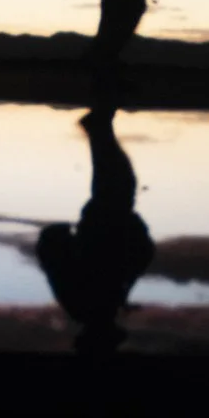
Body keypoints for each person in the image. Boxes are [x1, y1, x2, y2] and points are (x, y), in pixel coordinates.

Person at [35, 108, 156, 354]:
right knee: (118, 181)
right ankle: (99, 126)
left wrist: (62, 235)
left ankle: (99, 125)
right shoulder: (98, 306)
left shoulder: (85, 306)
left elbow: (55, 261)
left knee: (117, 181)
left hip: (103, 229)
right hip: (109, 228)